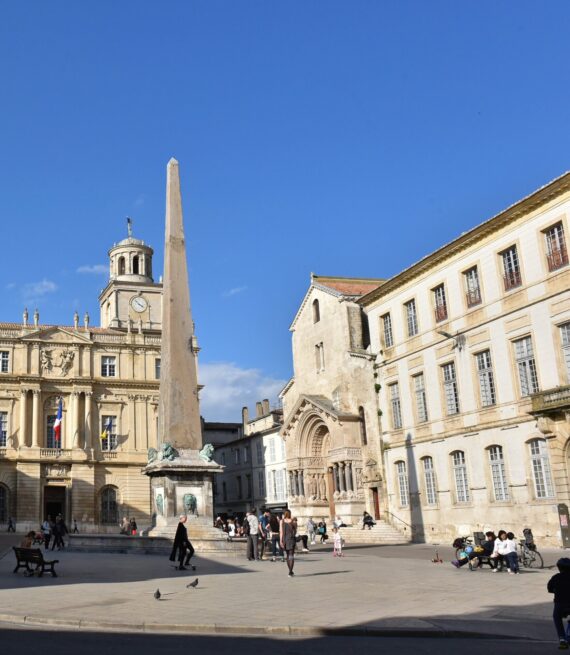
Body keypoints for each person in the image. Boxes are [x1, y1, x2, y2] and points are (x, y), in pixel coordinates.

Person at [548, 557, 570, 649]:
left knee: (556, 617)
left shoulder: (556, 577)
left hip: (560, 605)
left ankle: (561, 638)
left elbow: (549, 589)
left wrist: (557, 591)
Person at [280, 509, 297, 577]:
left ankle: (290, 571)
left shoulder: (281, 521)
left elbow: (281, 532)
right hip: (291, 539)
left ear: (284, 514)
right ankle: (290, 571)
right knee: (291, 555)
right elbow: (295, 531)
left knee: (287, 555)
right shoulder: (293, 521)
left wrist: (281, 541)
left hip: (285, 540)